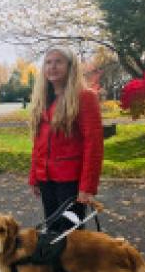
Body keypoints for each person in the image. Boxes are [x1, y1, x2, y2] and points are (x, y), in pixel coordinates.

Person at [28, 45, 103, 234]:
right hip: (46, 179)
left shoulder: (85, 97)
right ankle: (55, 265)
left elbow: (93, 145)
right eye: (48, 62)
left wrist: (87, 187)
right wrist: (35, 176)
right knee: (52, 231)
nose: (52, 67)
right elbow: (38, 143)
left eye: (58, 62)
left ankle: (74, 265)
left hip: (71, 182)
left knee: (71, 236)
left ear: (70, 67)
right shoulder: (44, 99)